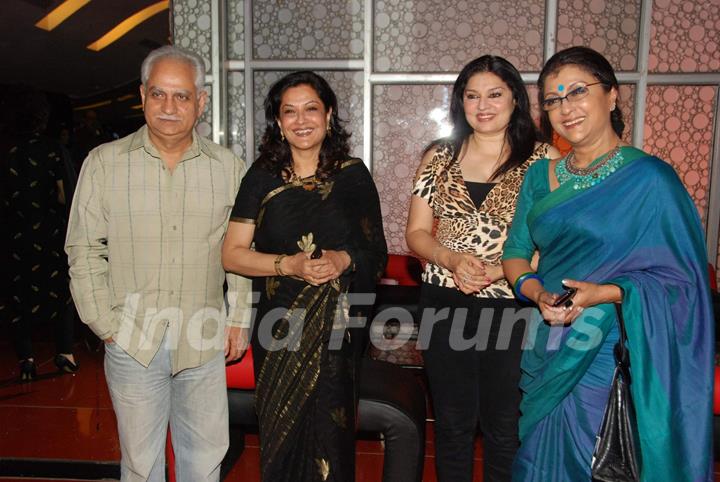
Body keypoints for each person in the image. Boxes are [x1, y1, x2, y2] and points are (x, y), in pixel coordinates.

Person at [502, 46, 713, 481]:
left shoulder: (651, 180)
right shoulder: (539, 177)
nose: (565, 108)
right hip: (549, 339)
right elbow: (515, 253)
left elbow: (683, 283)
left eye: (577, 92)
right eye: (553, 100)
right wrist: (536, 291)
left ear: (612, 96)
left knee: (595, 462)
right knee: (536, 460)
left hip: (612, 346)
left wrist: (610, 291)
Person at [66, 45, 250, 481]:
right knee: (139, 463)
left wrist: (239, 317)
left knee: (204, 461)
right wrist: (104, 324)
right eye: (159, 95)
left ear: (200, 102)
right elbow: (83, 248)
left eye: (182, 96)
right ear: (142, 95)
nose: (170, 107)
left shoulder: (228, 168)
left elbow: (239, 250)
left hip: (203, 339)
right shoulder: (104, 164)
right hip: (132, 342)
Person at [222, 71, 387, 482]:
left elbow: (376, 253)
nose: (301, 120)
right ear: (277, 122)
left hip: (336, 332)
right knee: (282, 435)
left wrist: (344, 259)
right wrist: (288, 264)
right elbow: (232, 254)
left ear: (329, 115)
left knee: (330, 438)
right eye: (289, 111)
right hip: (278, 330)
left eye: (311, 108)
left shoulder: (353, 176)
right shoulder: (261, 178)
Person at [405, 55, 559, 482]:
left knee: (503, 427)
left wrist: (499, 269)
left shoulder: (543, 159)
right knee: (452, 425)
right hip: (443, 296)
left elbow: (556, 237)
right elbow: (416, 233)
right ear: (460, 102)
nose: (483, 105)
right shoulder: (439, 155)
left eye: (494, 94)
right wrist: (451, 259)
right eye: (472, 96)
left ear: (515, 99)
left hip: (512, 301)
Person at [4, 89, 77, 380]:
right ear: (43, 119)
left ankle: (26, 359)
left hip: (12, 236)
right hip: (49, 234)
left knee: (17, 297)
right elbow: (64, 195)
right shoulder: (53, 149)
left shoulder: (5, 151)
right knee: (61, 293)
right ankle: (65, 353)